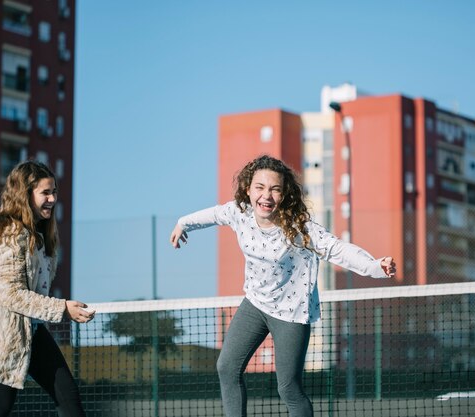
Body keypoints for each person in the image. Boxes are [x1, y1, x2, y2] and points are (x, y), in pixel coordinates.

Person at [170, 155, 396, 417]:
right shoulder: (238, 213)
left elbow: (336, 249)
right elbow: (213, 214)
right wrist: (183, 222)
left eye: (275, 189)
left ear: (284, 194)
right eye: (260, 187)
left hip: (291, 313)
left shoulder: (299, 228)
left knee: (288, 388)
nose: (266, 196)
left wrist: (374, 266)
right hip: (255, 304)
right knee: (226, 367)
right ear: (248, 189)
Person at [0, 161, 95, 417]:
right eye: (45, 192)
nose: (52, 199)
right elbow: (12, 294)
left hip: (31, 330)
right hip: (1, 334)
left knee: (69, 400)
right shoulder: (7, 233)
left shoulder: (41, 235)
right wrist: (62, 308)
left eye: (54, 191)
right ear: (25, 194)